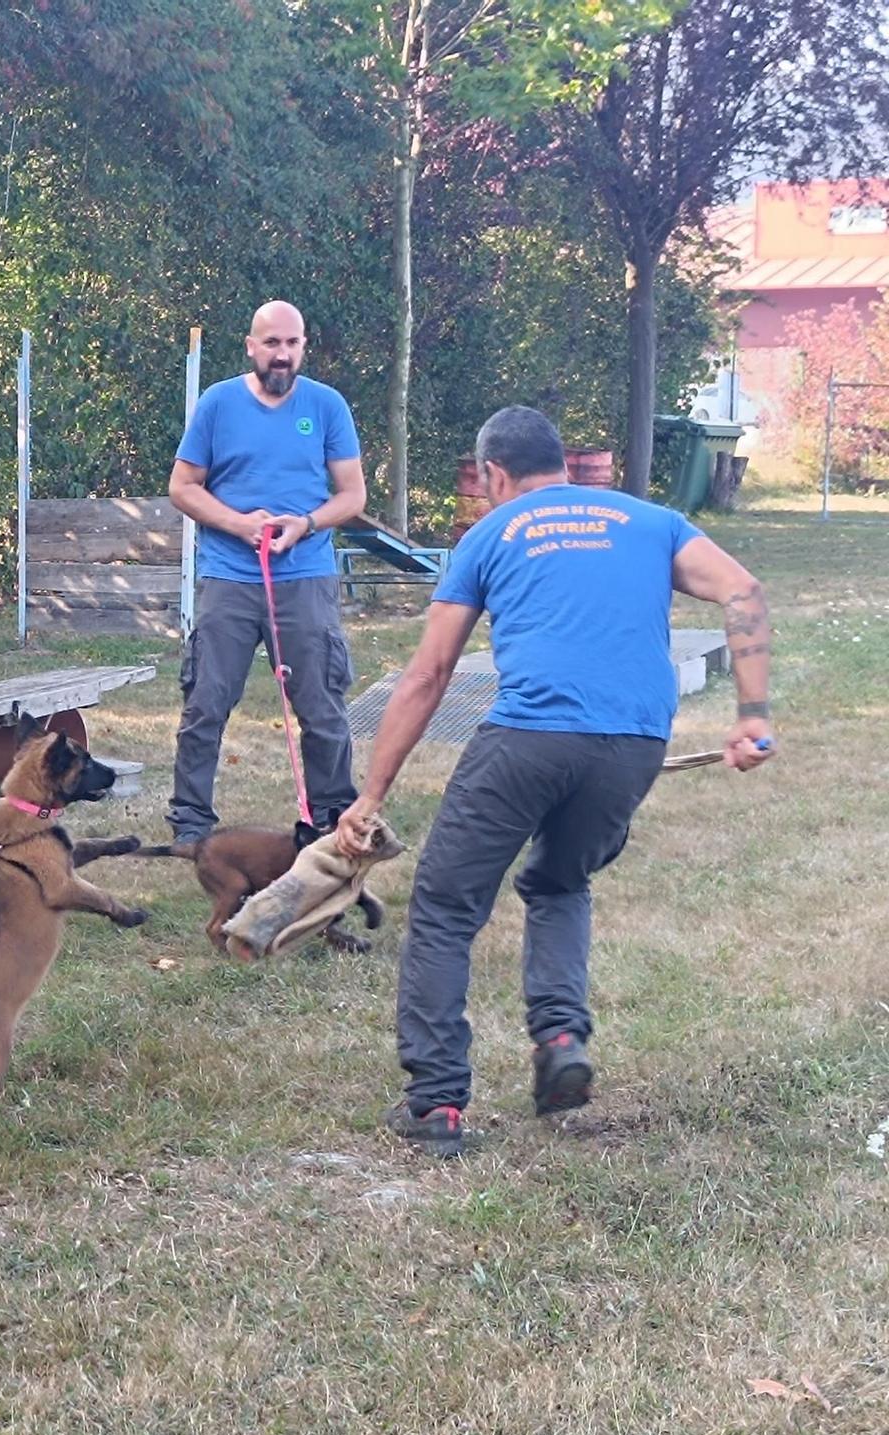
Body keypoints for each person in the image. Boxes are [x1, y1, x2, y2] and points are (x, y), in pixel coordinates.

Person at [334, 406, 774, 1157]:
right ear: (563, 464)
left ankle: (436, 1105)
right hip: (633, 742)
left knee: (445, 905)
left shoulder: (490, 534)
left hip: (528, 740)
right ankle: (561, 1038)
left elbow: (429, 675)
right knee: (560, 883)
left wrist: (369, 795)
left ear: (495, 474)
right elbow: (744, 592)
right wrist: (751, 715)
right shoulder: (650, 521)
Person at [168, 300, 368, 844]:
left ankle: (331, 821)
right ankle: (190, 824)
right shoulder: (218, 404)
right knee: (206, 702)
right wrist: (238, 525)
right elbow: (183, 487)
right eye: (272, 343)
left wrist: (306, 523)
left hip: (305, 578)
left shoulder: (327, 406)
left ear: (304, 347)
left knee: (323, 707)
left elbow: (352, 495)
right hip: (229, 577)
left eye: (292, 344)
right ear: (251, 347)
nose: (282, 355)